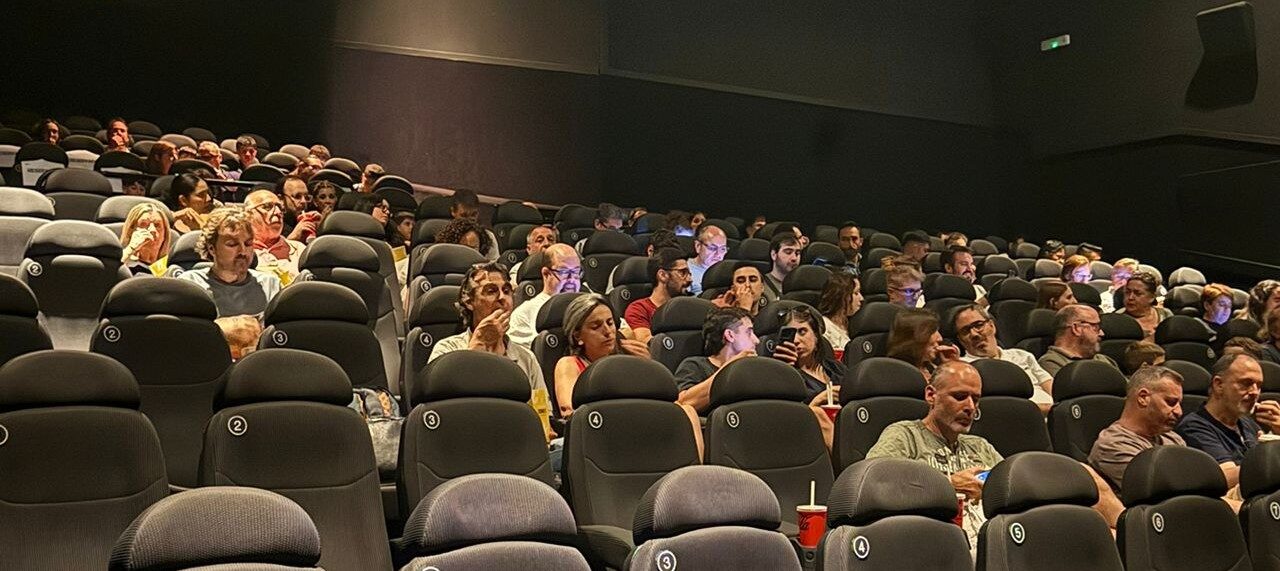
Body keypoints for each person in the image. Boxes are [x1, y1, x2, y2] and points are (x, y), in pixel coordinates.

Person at [868, 361, 1123, 552]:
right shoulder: (904, 435)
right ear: (931, 395)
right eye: (959, 396)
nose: (970, 407)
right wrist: (948, 485)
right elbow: (872, 487)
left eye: (976, 399)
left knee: (1083, 479)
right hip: (941, 542)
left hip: (1001, 537)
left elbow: (1012, 488)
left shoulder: (979, 446)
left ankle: (1130, 532)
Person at [429, 262, 553, 439]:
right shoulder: (447, 350)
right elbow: (440, 411)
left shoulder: (526, 358)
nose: (502, 298)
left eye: (507, 291)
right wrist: (479, 343)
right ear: (469, 301)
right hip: (464, 439)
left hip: (518, 441)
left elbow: (543, 417)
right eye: (491, 291)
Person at [1177, 354, 1279, 489]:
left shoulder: (1247, 423)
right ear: (1219, 385)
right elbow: (1226, 478)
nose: (1255, 392)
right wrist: (1271, 458)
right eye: (1246, 383)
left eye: (1259, 386)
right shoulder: (1194, 427)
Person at [1089, 366, 1186, 491]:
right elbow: (1158, 490)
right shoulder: (1112, 445)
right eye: (1171, 402)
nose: (1179, 412)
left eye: (1179, 404)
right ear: (1143, 397)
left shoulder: (1173, 438)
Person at [554, 293, 652, 418]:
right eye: (596, 327)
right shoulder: (569, 364)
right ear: (577, 336)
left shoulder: (629, 360)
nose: (607, 331)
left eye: (610, 323)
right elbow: (569, 411)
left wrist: (647, 367)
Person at [177, 207, 281, 318]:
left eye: (248, 244)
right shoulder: (190, 284)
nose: (243, 251)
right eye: (232, 244)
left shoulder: (270, 285)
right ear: (212, 249)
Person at [953, 304, 1054, 411]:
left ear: (992, 326)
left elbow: (1052, 389)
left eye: (978, 325)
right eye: (965, 331)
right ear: (960, 340)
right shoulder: (963, 368)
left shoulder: (1022, 355)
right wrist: (1048, 410)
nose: (974, 334)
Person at [674, 307, 760, 413]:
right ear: (730, 335)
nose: (757, 340)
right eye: (749, 332)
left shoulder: (753, 371)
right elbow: (683, 403)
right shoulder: (695, 365)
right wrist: (730, 367)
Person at [507, 244, 581, 348]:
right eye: (564, 272)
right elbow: (521, 354)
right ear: (546, 273)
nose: (572, 280)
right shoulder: (524, 313)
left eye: (576, 272)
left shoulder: (590, 305)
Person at [769, 305, 847, 399]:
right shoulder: (786, 376)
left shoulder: (836, 368)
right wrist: (819, 399)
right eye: (791, 334)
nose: (796, 340)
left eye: (802, 332)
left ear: (816, 336)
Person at [624, 248, 691, 343]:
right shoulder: (639, 309)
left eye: (689, 273)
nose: (689, 279)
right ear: (662, 275)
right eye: (683, 273)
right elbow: (647, 343)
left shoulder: (690, 308)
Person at [1038, 304, 1120, 376]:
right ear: (1076, 328)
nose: (1102, 333)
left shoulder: (1104, 359)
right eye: (1096, 327)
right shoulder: (1051, 363)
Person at [244, 189, 304, 284]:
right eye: (267, 207)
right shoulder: (241, 252)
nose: (278, 212)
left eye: (280, 208)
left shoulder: (299, 249)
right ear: (247, 215)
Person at [886, 308, 959, 381]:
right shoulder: (895, 373)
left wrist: (951, 366)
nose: (940, 338)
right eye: (932, 331)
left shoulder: (932, 368)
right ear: (916, 336)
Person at [119, 202, 173, 276]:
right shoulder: (122, 261)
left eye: (157, 225)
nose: (152, 230)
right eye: (143, 224)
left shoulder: (170, 268)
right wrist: (131, 248)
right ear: (130, 231)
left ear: (165, 234)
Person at [816, 271, 862, 355]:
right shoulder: (824, 328)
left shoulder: (853, 324)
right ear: (843, 296)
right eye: (856, 293)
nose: (861, 298)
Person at [1120, 271, 1171, 342]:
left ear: (1152, 297)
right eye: (1127, 292)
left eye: (1137, 293)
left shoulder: (1166, 314)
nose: (1130, 297)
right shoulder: (1118, 318)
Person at [449, 189, 499, 261]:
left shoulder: (489, 236)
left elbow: (494, 264)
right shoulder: (445, 236)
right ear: (453, 212)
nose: (469, 220)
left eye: (473, 215)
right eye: (464, 215)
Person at [686, 225, 727, 295]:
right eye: (712, 248)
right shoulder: (685, 271)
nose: (718, 254)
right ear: (698, 246)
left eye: (722, 249)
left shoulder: (727, 272)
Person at [276, 176, 318, 243]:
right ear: (281, 199)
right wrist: (292, 238)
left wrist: (320, 228)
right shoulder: (272, 226)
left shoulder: (307, 220)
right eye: (297, 196)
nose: (304, 201)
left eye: (306, 197)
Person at [763, 233, 801, 304]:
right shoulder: (761, 285)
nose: (794, 258)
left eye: (797, 253)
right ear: (774, 255)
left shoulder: (803, 286)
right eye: (788, 252)